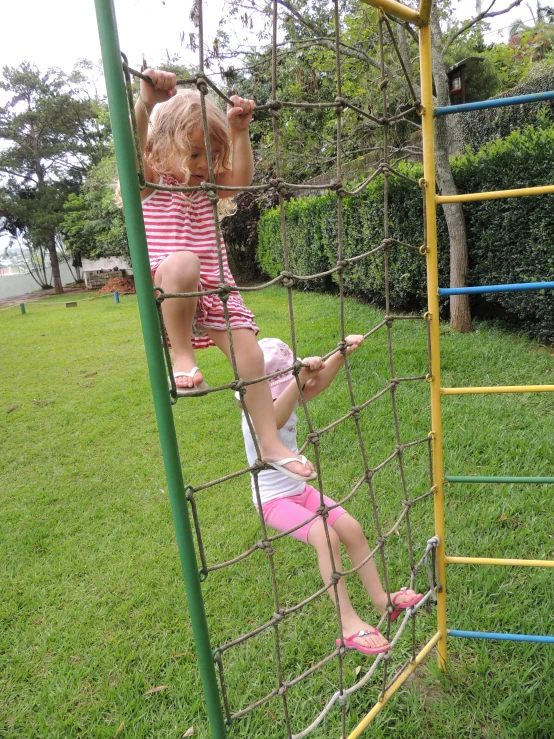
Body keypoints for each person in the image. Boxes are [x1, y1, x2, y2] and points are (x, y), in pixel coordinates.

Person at [135, 69, 314, 482]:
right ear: (161, 149)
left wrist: (239, 133)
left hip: (216, 284)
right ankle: (181, 356)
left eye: (211, 156)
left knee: (252, 356)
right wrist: (145, 105)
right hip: (172, 285)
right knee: (184, 262)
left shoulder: (209, 186)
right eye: (194, 154)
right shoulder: (151, 183)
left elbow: (242, 184)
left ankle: (269, 443)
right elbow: (130, 153)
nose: (203, 166)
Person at [239, 336, 423, 655]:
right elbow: (278, 415)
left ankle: (382, 600)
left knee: (350, 527)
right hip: (273, 502)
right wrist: (298, 378)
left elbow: (315, 385)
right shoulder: (257, 415)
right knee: (326, 537)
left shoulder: (284, 395)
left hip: (299, 490)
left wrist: (339, 354)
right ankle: (348, 624)